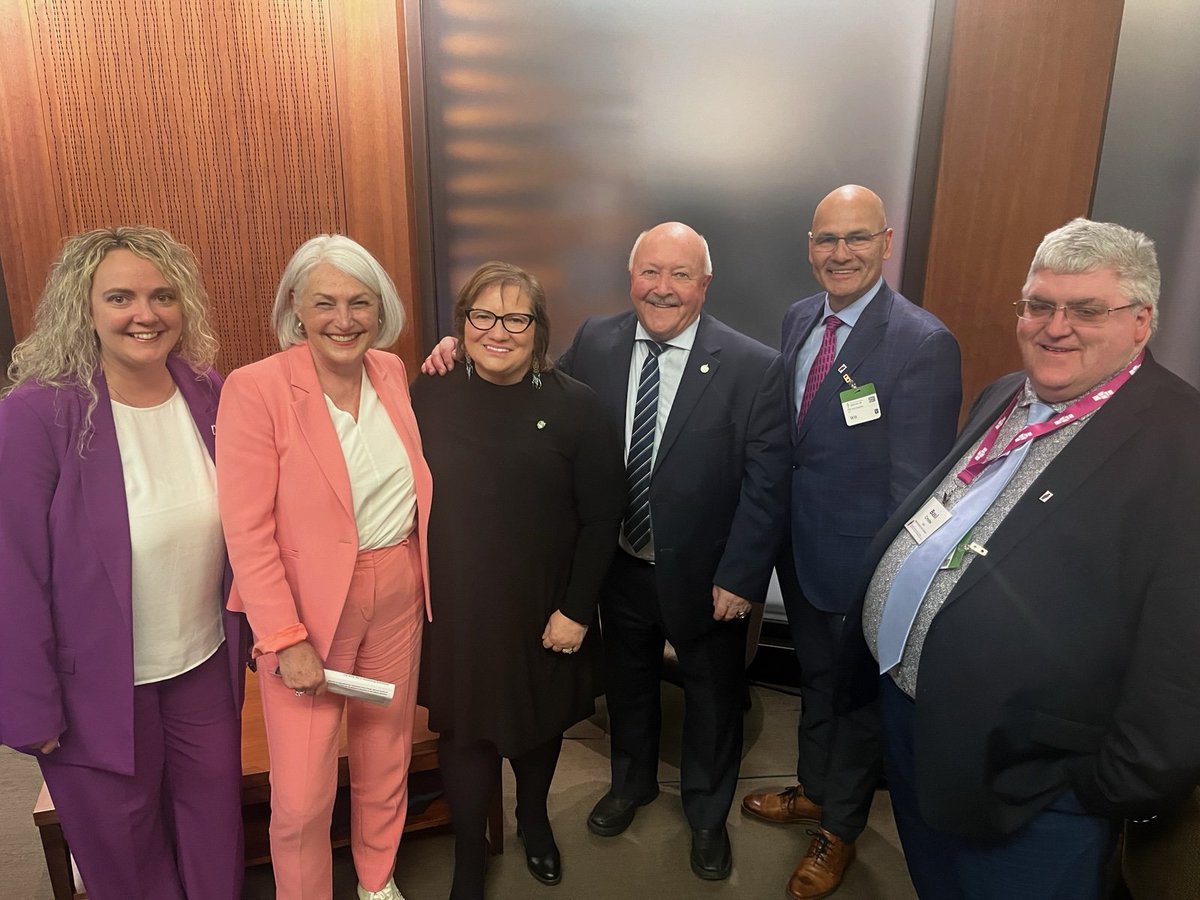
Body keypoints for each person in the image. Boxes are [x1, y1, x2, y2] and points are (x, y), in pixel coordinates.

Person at [423, 222, 791, 880]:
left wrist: (742, 575)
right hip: (617, 563)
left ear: (704, 284)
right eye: (650, 272)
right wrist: (461, 348)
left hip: (704, 574)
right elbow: (536, 393)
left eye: (680, 274)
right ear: (632, 279)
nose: (663, 287)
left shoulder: (753, 366)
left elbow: (768, 485)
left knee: (711, 697)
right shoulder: (597, 339)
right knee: (628, 688)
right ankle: (631, 784)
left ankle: (707, 817)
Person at [848, 218, 1200, 898]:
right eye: (1039, 304)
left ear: (1140, 320)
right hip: (923, 727)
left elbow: (1183, 659)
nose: (1055, 326)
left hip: (1034, 784)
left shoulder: (1181, 446)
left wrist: (1109, 786)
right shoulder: (1009, 395)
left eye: (1086, 309)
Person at [0, 226, 248, 899]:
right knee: (124, 851)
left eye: (162, 295)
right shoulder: (37, 413)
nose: (146, 313)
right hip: (92, 691)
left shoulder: (207, 391)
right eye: (120, 297)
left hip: (202, 668)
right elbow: (11, 575)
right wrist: (29, 709)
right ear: (84, 308)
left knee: (216, 830)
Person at [740, 185, 961, 898]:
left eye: (856, 238)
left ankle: (840, 826)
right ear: (810, 247)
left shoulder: (921, 343)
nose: (840, 254)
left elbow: (915, 490)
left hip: (862, 565)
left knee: (856, 700)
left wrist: (887, 584)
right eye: (826, 240)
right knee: (814, 682)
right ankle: (811, 787)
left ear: (886, 242)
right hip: (799, 552)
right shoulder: (800, 318)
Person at [216, 234, 432, 900]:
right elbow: (246, 531)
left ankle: (375, 879)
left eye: (359, 302)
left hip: (398, 586)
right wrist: (282, 637)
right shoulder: (256, 389)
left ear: (380, 308)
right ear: (296, 310)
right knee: (304, 793)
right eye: (326, 303)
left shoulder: (392, 372)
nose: (344, 318)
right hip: (307, 611)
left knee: (385, 755)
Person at [410, 261, 624, 898]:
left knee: (538, 726)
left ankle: (534, 821)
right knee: (465, 733)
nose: (497, 330)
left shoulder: (576, 407)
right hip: (456, 609)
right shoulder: (427, 394)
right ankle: (469, 861)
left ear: (539, 328)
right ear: (462, 325)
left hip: (545, 606)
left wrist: (577, 611)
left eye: (515, 317)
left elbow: (601, 517)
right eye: (482, 315)